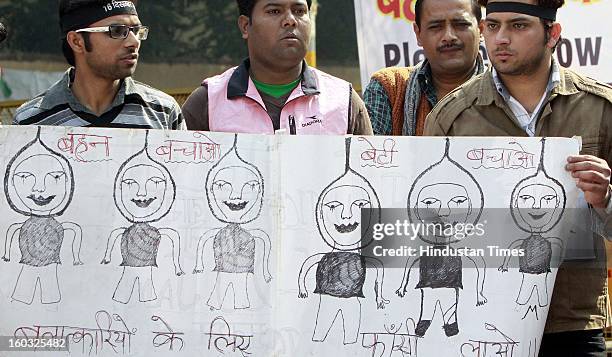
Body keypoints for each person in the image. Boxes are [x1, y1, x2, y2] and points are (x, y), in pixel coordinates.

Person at [424, 0, 612, 355]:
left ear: (552, 34)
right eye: (492, 26)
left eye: (519, 26)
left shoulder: (600, 108)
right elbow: (426, 227)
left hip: (572, 321)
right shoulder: (452, 117)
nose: (501, 39)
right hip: (479, 319)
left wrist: (606, 198)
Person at [182, 0, 372, 135]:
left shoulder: (344, 102)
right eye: (274, 11)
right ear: (245, 26)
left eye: (299, 11)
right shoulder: (207, 103)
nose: (290, 20)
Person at [13, 0, 185, 130]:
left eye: (136, 31)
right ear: (77, 42)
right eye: (117, 31)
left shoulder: (163, 112)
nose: (133, 42)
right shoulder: (31, 122)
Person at [363, 0, 484, 136]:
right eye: (436, 27)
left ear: (481, 29)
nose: (449, 37)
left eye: (461, 25)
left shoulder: (503, 91)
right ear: (418, 34)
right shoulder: (389, 89)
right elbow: (370, 154)